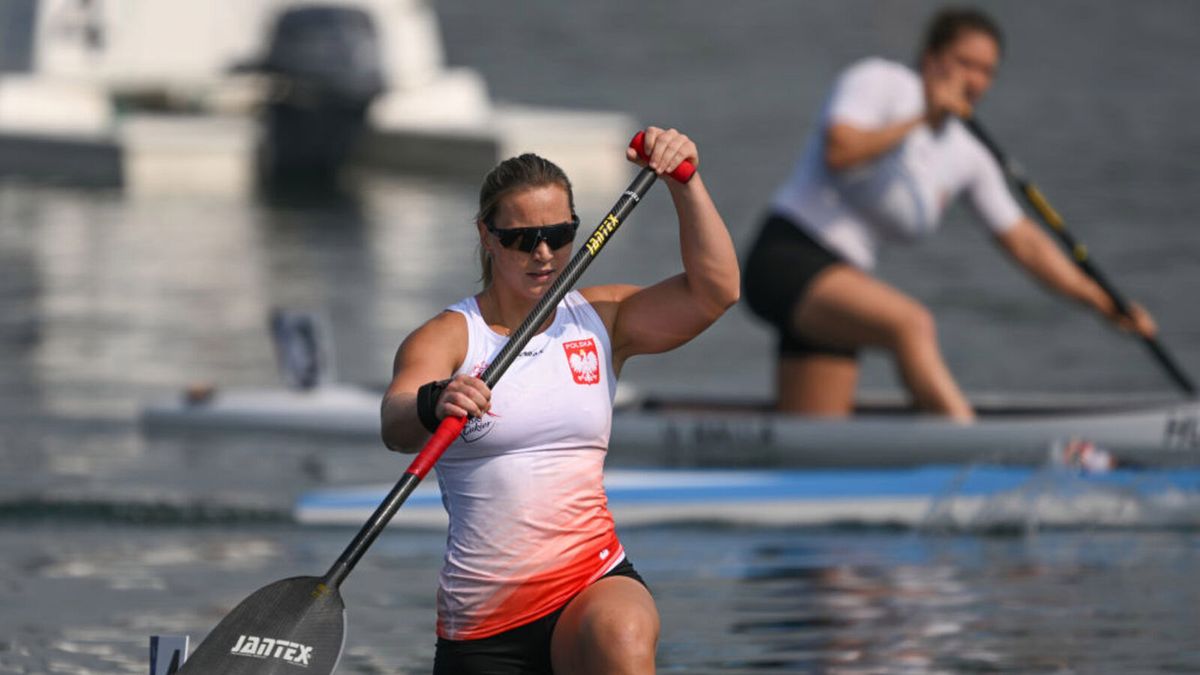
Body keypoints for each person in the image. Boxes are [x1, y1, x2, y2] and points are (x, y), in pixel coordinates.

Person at [380, 127, 739, 674]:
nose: (544, 254)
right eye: (523, 239)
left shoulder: (602, 321)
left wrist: (685, 182)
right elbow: (395, 424)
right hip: (483, 625)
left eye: (560, 233)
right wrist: (434, 401)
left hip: (591, 583)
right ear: (487, 235)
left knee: (623, 631)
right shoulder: (451, 337)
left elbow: (716, 292)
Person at [742, 6, 1156, 421]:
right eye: (964, 63)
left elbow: (1026, 243)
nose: (973, 80)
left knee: (815, 443)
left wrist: (1103, 303)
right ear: (930, 58)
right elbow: (840, 151)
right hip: (785, 258)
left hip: (841, 286)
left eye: (986, 71)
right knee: (910, 324)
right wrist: (924, 117)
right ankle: (971, 446)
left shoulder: (970, 154)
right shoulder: (880, 82)